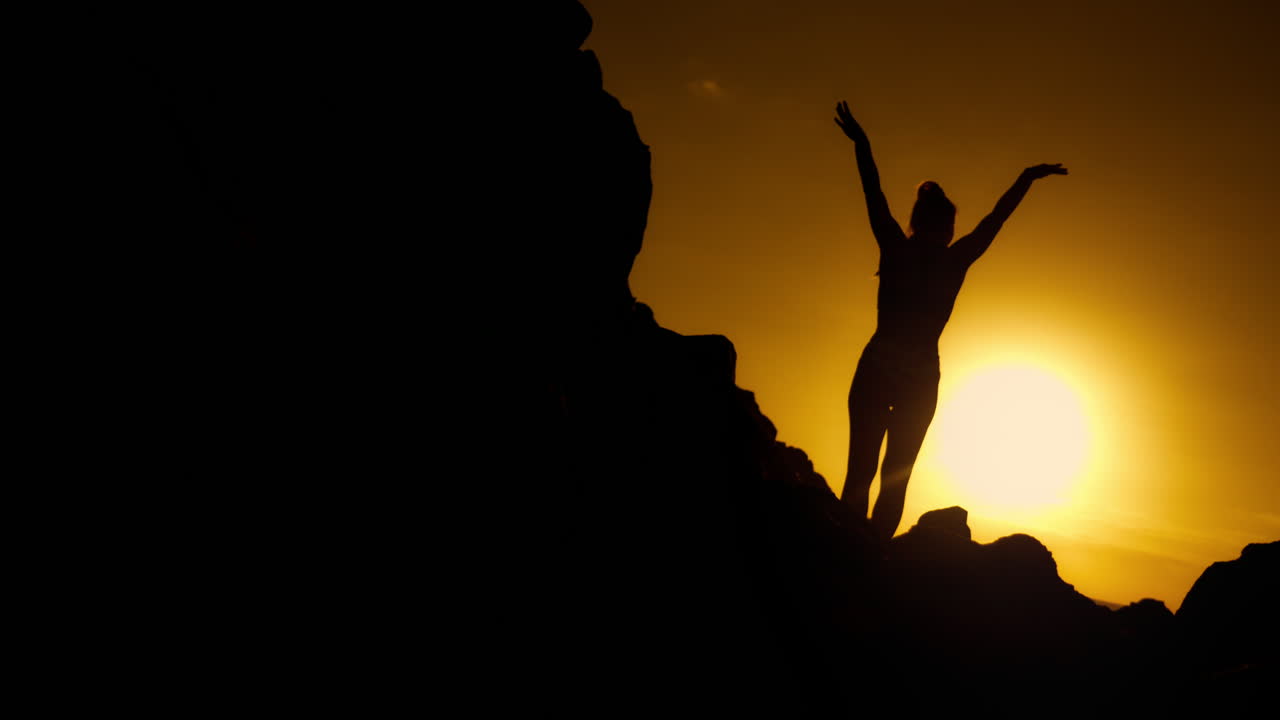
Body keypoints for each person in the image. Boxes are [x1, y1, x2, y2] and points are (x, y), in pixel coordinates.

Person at [833, 100, 1067, 541]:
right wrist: (1025, 179)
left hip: (880, 364)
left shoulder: (897, 248)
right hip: (919, 373)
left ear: (917, 221)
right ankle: (869, 558)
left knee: (861, 470)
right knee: (893, 477)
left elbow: (873, 192)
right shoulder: (954, 259)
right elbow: (995, 219)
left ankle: (848, 554)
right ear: (948, 228)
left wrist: (862, 145)